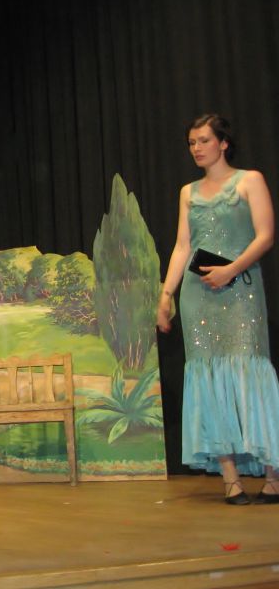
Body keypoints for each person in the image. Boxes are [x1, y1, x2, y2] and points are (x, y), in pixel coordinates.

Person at [157, 114, 278, 505]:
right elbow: (182, 246)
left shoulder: (249, 180)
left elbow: (265, 236)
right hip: (199, 295)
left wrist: (231, 269)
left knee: (248, 376)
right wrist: (166, 294)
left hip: (240, 291)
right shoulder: (188, 192)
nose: (197, 148)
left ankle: (272, 475)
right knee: (208, 378)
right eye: (192, 142)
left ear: (223, 143)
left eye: (204, 140)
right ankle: (231, 479)